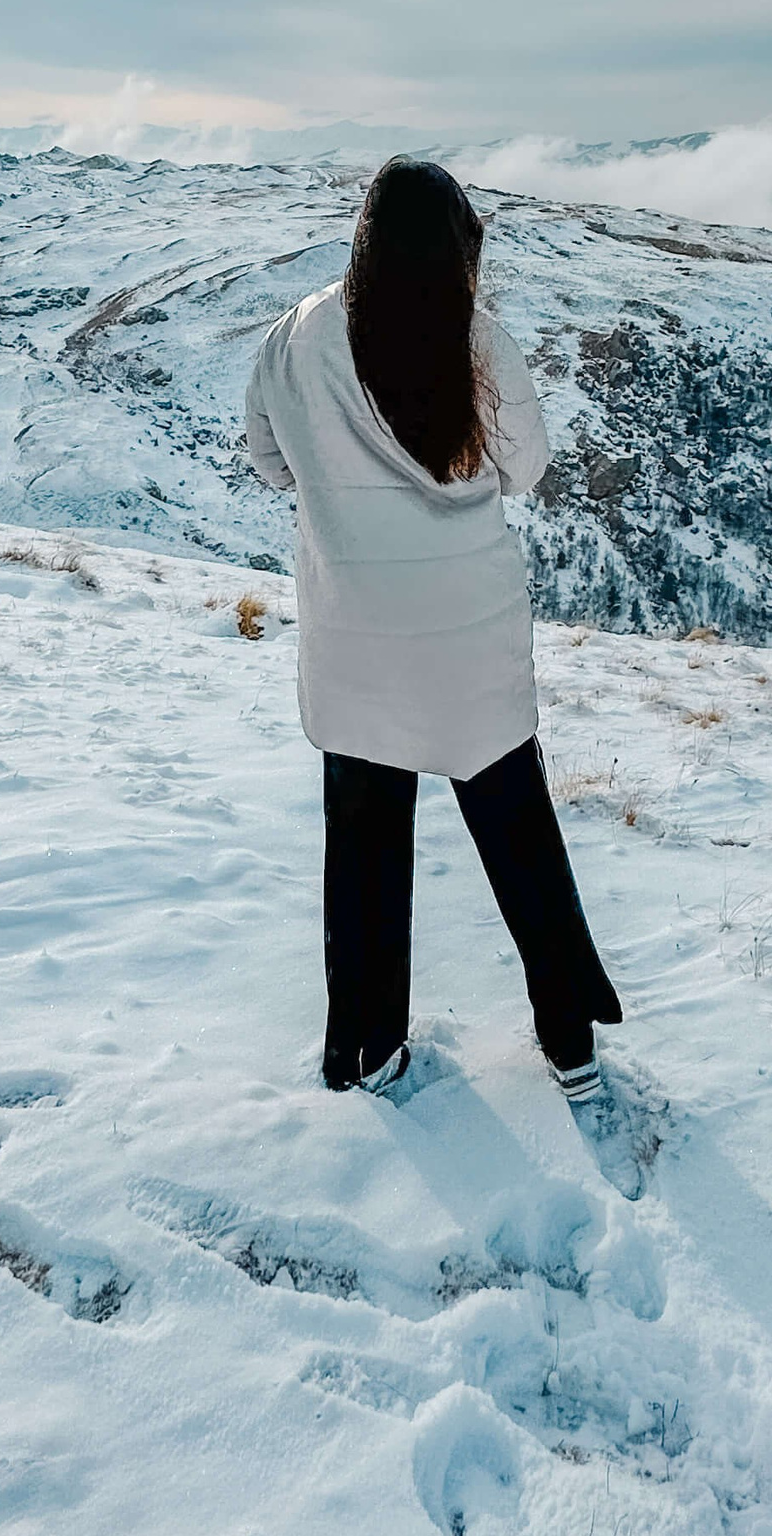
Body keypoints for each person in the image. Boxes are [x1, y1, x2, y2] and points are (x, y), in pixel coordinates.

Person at [244, 157, 622, 1100]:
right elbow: (526, 469)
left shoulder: (294, 337)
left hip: (356, 638)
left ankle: (366, 1052)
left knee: (364, 852)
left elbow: (267, 463)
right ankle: (568, 1039)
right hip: (468, 642)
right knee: (518, 837)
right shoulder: (478, 341)